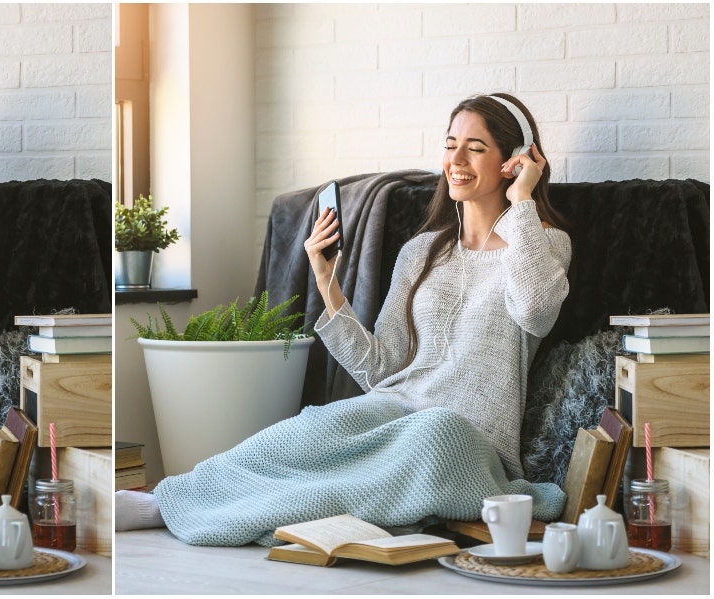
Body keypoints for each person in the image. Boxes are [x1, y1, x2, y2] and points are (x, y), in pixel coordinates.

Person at [115, 93, 573, 546]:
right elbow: (380, 367)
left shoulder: (543, 244)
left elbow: (535, 312)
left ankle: (275, 514)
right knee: (307, 429)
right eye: (450, 143)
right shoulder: (420, 253)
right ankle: (167, 501)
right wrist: (325, 279)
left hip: (467, 439)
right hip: (391, 409)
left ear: (515, 159)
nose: (456, 159)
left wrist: (522, 203)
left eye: (475, 147)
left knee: (437, 431)